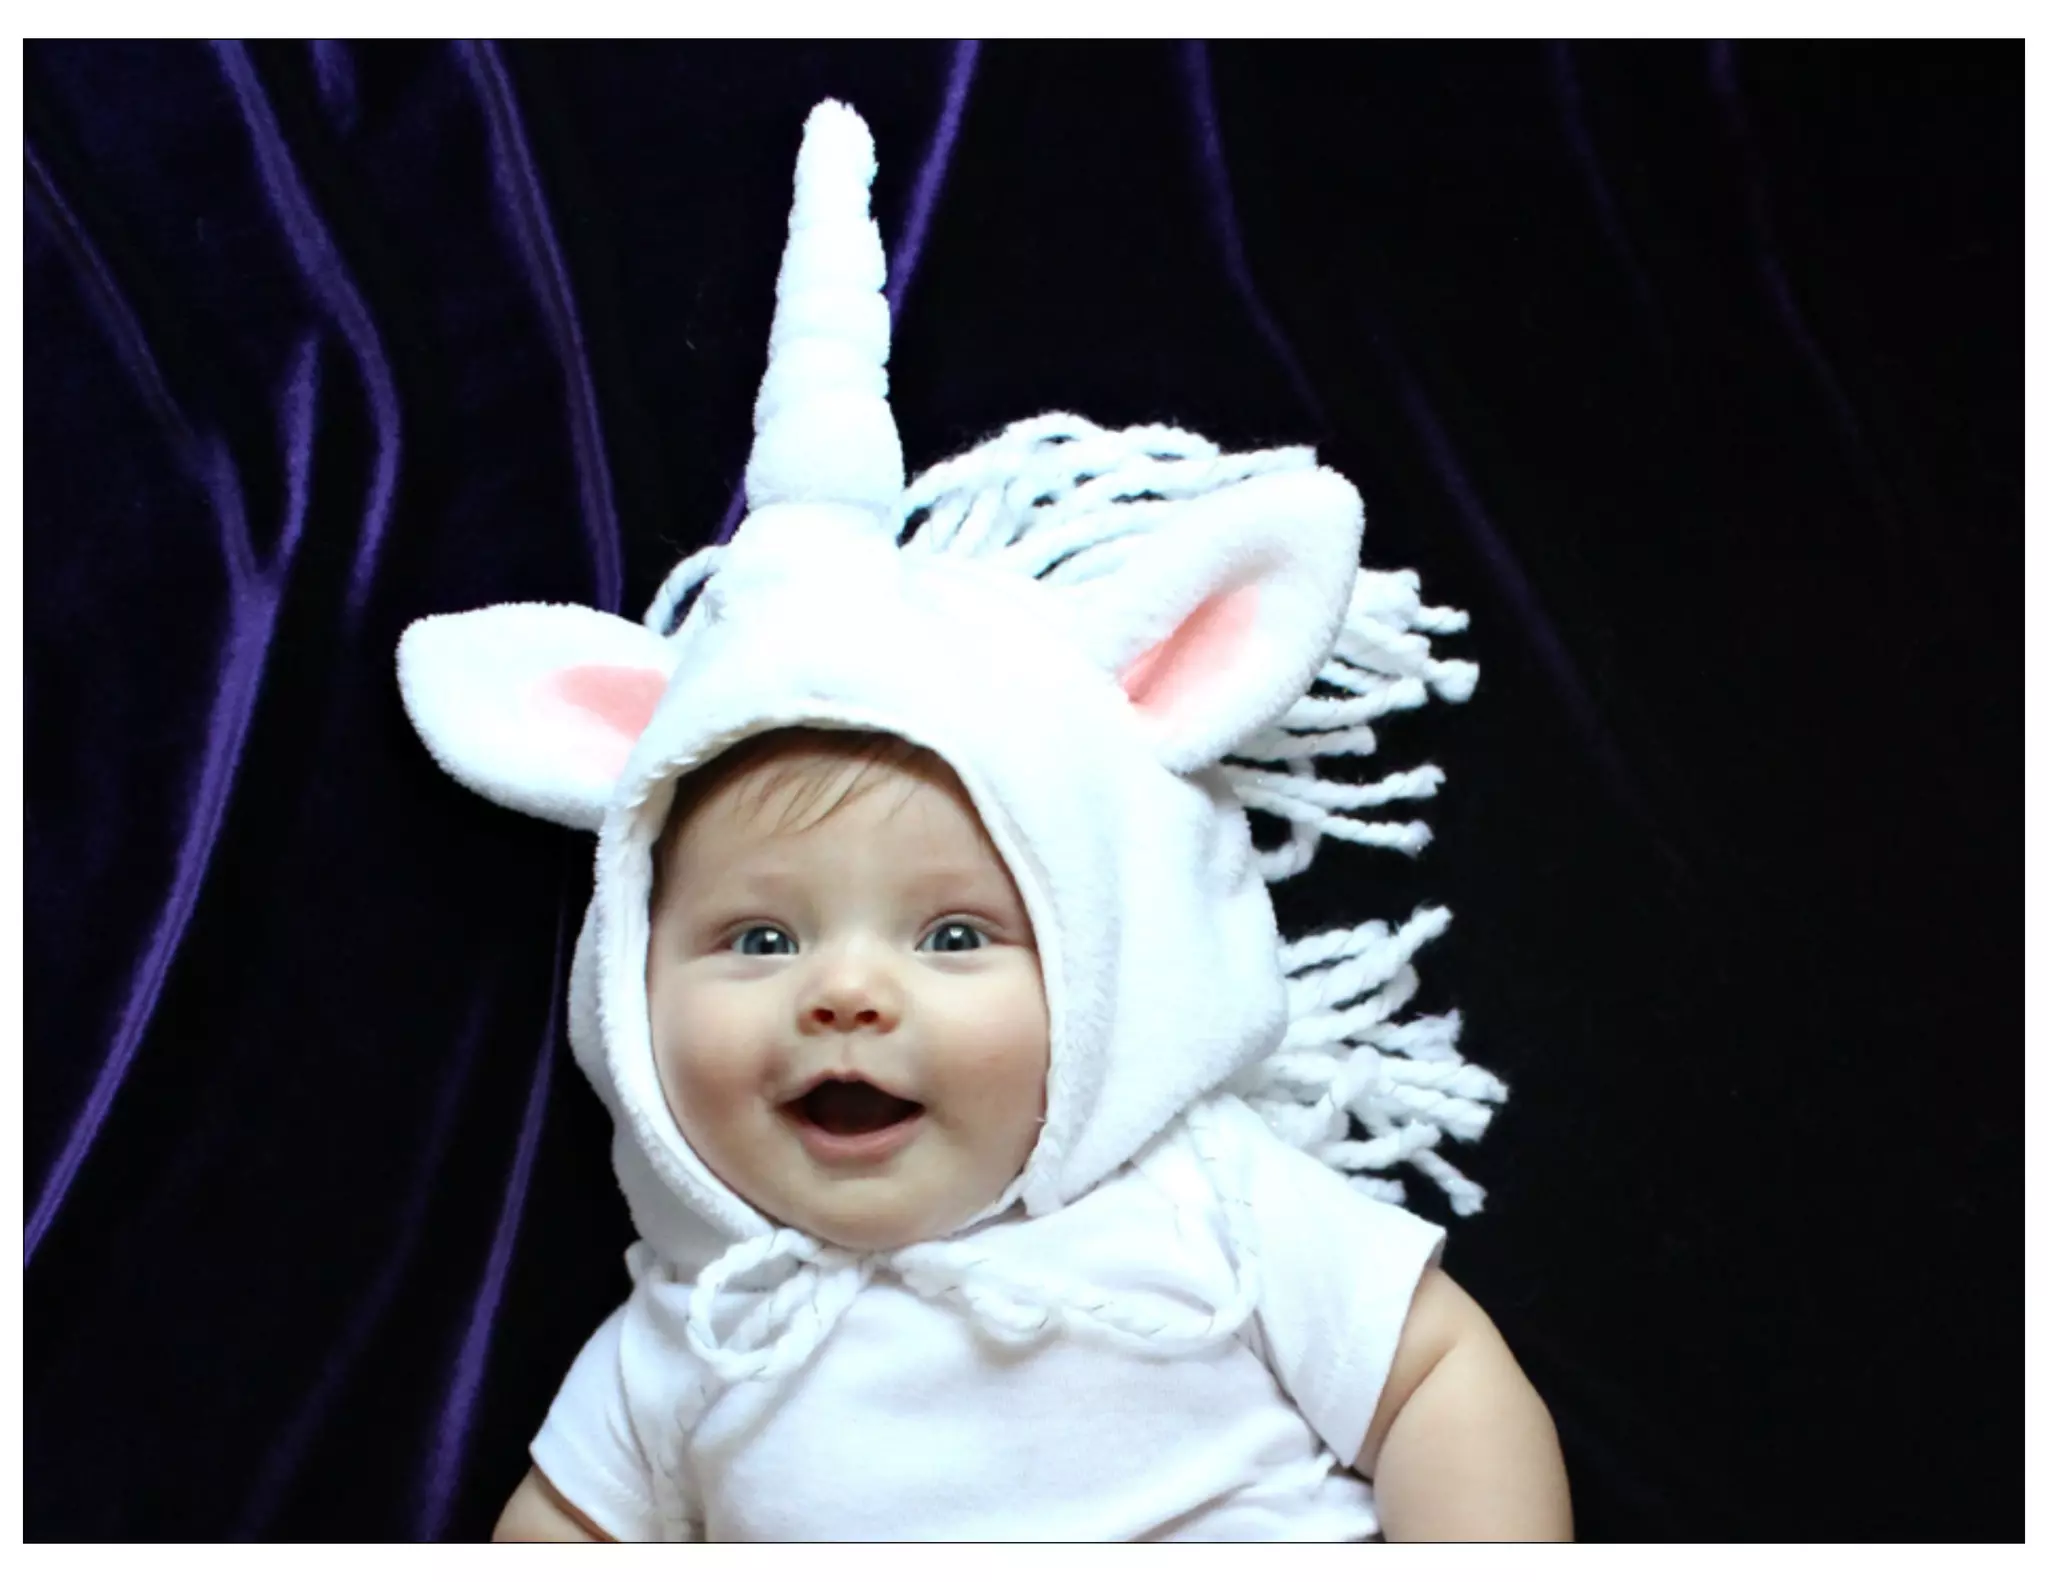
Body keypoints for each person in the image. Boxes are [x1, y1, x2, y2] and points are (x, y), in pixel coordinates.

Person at [397, 100, 1569, 1541]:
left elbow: (1438, 1380)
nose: (842, 992)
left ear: (1102, 975)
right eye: (758, 938)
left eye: (954, 935)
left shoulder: (1204, 1206)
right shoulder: (699, 1331)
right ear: (629, 999)